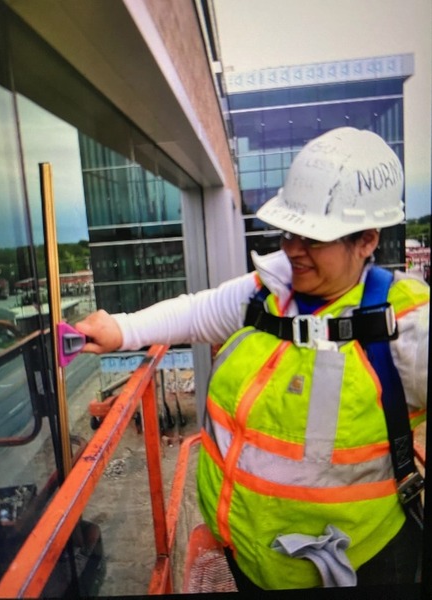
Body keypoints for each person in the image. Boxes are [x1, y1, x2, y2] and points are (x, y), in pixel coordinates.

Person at [75, 127, 429, 590]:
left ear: (366, 240)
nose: (293, 249)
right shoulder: (268, 291)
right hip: (251, 563)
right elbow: (198, 311)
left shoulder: (403, 326)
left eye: (313, 238)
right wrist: (122, 329)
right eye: (288, 233)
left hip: (357, 572)